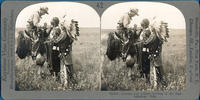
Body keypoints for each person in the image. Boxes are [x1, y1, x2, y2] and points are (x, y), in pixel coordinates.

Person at [137, 18, 151, 83]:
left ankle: (147, 79)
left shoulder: (147, 31)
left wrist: (141, 42)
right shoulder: (144, 30)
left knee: (145, 62)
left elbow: (146, 41)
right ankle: (142, 75)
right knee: (141, 61)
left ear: (145, 24)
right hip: (141, 48)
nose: (142, 25)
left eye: (142, 24)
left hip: (145, 49)